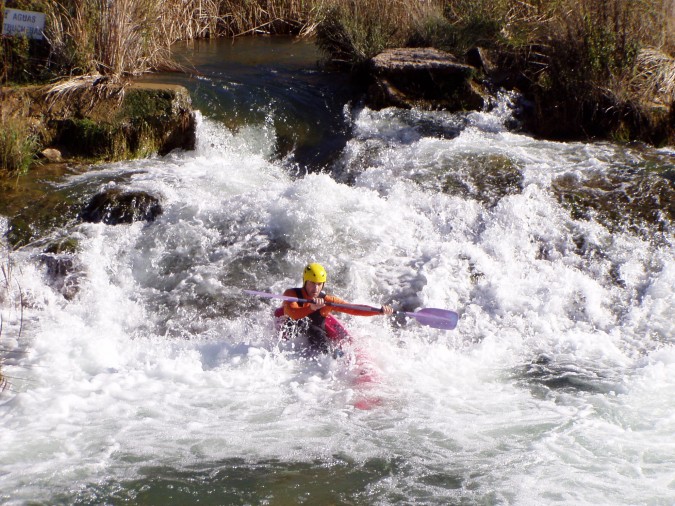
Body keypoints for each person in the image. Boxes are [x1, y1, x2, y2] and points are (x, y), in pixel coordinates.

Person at [279, 262, 394, 354]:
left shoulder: (327, 301)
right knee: (309, 329)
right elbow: (293, 313)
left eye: (319, 284)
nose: (315, 288)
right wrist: (312, 307)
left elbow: (352, 309)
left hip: (316, 334)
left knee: (317, 333)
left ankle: (331, 358)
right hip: (293, 334)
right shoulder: (291, 294)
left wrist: (379, 311)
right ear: (305, 282)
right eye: (312, 283)